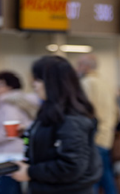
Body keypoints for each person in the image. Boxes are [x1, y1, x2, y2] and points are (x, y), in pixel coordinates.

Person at [11, 55, 102, 194]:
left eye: (38, 79)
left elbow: (71, 166)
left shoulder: (72, 119)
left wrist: (30, 172)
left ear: (53, 83)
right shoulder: (52, 110)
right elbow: (53, 143)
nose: (34, 84)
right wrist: (27, 135)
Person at [0, 71, 39, 194]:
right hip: (14, 153)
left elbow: (9, 131)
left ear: (9, 86)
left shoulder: (9, 105)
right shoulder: (18, 102)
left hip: (7, 156)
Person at [77, 54, 118, 194]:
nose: (77, 68)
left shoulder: (87, 83)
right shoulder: (106, 83)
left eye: (79, 65)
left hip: (93, 136)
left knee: (91, 178)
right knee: (106, 175)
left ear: (86, 66)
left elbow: (85, 111)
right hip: (107, 135)